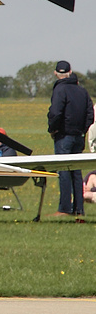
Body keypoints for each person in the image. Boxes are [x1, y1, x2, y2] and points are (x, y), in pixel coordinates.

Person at [47, 60, 93, 217]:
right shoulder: (82, 91)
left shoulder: (60, 90)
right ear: (71, 72)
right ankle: (79, 209)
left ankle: (65, 208)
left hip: (64, 136)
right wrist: (82, 131)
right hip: (78, 136)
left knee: (64, 169)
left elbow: (55, 113)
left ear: (56, 74)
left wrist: (53, 129)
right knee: (76, 171)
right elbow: (90, 115)